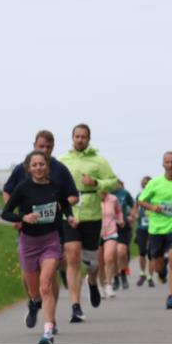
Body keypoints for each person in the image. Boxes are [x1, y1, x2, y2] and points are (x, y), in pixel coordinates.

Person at [2, 129, 79, 329]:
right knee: (29, 278)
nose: (45, 150)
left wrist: (65, 211)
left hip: (53, 232)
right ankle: (33, 300)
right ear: (34, 146)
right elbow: (7, 194)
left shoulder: (59, 170)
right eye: (41, 146)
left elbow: (71, 196)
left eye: (48, 147)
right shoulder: (21, 171)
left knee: (48, 279)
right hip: (28, 233)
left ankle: (50, 321)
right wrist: (19, 218)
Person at [59, 124, 119, 323]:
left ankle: (93, 282)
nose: (80, 139)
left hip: (92, 215)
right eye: (77, 136)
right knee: (72, 255)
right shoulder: (63, 160)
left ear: (88, 139)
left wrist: (96, 183)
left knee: (91, 262)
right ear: (72, 138)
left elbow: (113, 181)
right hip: (69, 214)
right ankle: (75, 306)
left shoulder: (99, 160)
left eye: (83, 136)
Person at [138, 151, 172, 310]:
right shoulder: (154, 183)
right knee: (157, 265)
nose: (170, 165)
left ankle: (171, 297)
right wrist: (153, 207)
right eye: (167, 162)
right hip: (157, 228)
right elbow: (141, 200)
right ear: (163, 164)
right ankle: (162, 271)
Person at [98, 188, 124, 299]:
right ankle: (100, 286)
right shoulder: (92, 199)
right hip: (96, 234)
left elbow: (118, 211)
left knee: (109, 258)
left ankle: (109, 285)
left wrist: (120, 219)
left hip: (111, 232)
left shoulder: (113, 199)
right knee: (99, 262)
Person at [132, 176, 155, 287]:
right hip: (141, 228)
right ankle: (142, 274)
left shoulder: (155, 196)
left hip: (153, 228)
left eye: (148, 184)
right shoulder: (139, 196)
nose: (146, 186)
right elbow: (135, 209)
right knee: (142, 252)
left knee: (151, 253)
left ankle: (150, 277)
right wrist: (134, 215)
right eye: (144, 184)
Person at [112, 180, 135, 290]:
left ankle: (123, 274)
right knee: (112, 254)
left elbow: (133, 205)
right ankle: (115, 278)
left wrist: (132, 216)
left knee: (121, 252)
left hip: (123, 226)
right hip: (109, 227)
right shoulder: (106, 194)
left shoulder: (124, 193)